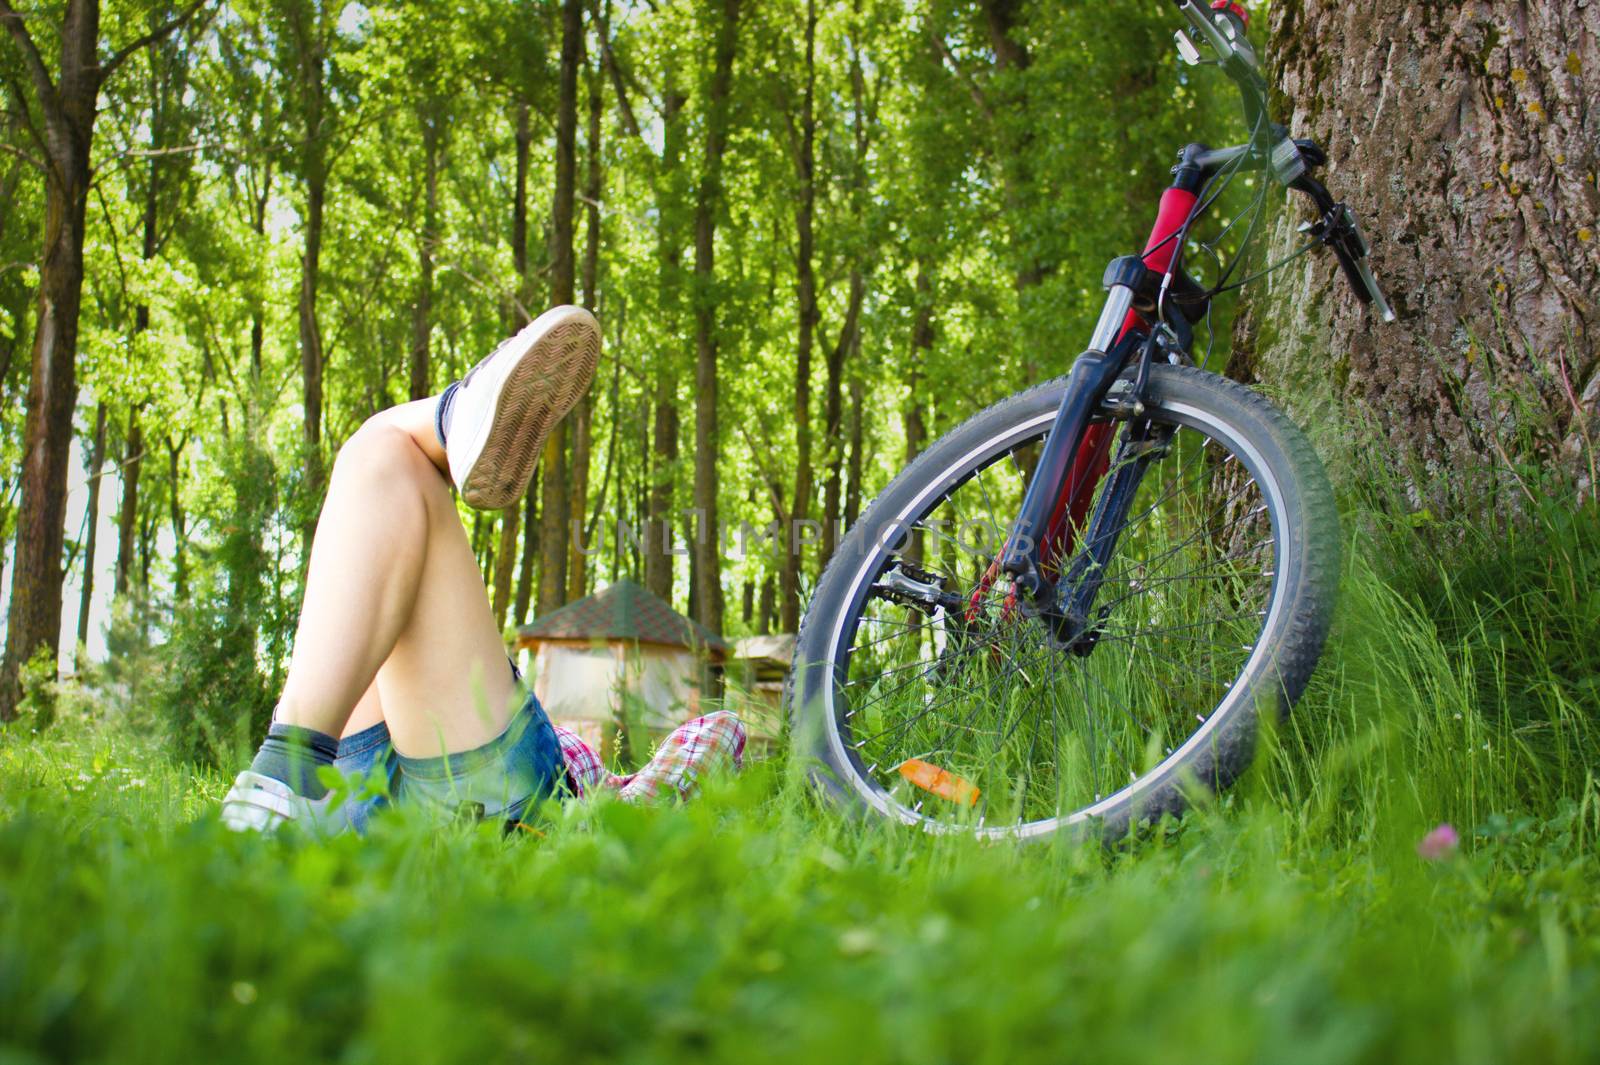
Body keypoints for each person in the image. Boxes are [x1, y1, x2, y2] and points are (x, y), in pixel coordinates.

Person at [220, 306, 746, 834]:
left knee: (380, 447)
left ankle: (457, 414)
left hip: (474, 800)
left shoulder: (610, 794)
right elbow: (719, 734)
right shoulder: (584, 763)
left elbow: (716, 738)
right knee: (382, 455)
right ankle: (457, 415)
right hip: (384, 779)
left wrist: (613, 805)